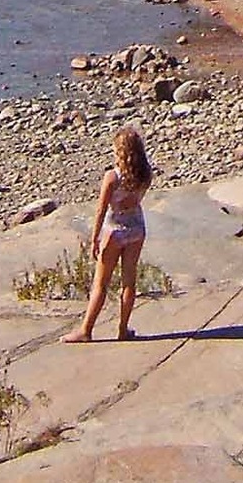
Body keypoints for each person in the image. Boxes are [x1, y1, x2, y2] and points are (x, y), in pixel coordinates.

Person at [65, 126, 154, 343]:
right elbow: (136, 199)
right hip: (136, 229)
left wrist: (95, 237)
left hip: (114, 231)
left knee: (101, 284)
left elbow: (102, 208)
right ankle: (123, 329)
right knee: (129, 282)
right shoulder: (145, 174)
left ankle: (86, 330)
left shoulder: (112, 177)